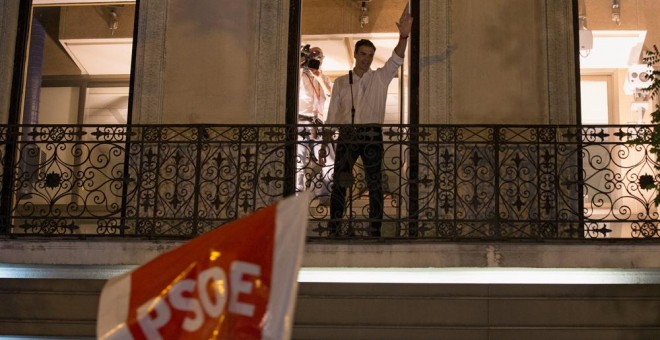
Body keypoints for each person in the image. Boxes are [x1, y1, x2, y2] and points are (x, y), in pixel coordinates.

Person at [323, 6, 412, 237]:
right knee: (341, 182)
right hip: (348, 133)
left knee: (374, 184)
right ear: (356, 55)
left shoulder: (380, 78)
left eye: (370, 55)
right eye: (363, 54)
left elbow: (397, 58)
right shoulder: (341, 82)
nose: (367, 59)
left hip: (372, 133)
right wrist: (324, 141)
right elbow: (333, 113)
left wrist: (403, 36)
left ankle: (375, 229)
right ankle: (334, 227)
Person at [297, 46, 333, 201]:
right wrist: (300, 63)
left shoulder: (323, 78)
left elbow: (332, 93)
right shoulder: (299, 74)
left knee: (328, 159)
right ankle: (297, 194)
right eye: (312, 59)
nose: (315, 62)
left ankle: (324, 194)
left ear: (322, 60)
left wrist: (318, 77)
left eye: (318, 59)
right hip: (301, 121)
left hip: (318, 123)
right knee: (299, 159)